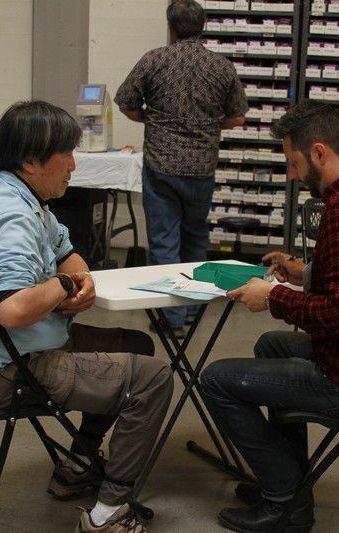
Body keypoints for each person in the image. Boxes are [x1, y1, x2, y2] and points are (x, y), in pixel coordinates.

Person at [0, 100, 173, 533]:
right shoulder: (11, 216)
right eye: (66, 153)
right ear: (31, 161)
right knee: (154, 378)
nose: (73, 165)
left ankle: (78, 465)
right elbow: (12, 308)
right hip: (6, 371)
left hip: (3, 354)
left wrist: (80, 283)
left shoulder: (16, 195)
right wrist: (66, 286)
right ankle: (107, 514)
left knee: (136, 346)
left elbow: (69, 255)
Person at [199, 101, 339, 532]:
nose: (292, 175)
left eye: (294, 163)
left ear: (320, 152)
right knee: (272, 345)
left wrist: (273, 296)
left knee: (214, 380)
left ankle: (285, 501)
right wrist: (305, 274)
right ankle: (289, 481)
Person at [114, 0, 248, 337]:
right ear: (202, 27)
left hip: (161, 165)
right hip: (201, 167)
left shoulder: (154, 59)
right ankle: (191, 308)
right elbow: (238, 116)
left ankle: (170, 318)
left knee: (164, 241)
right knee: (195, 237)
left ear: (171, 27)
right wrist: (209, 124)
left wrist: (153, 119)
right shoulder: (221, 66)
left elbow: (125, 102)